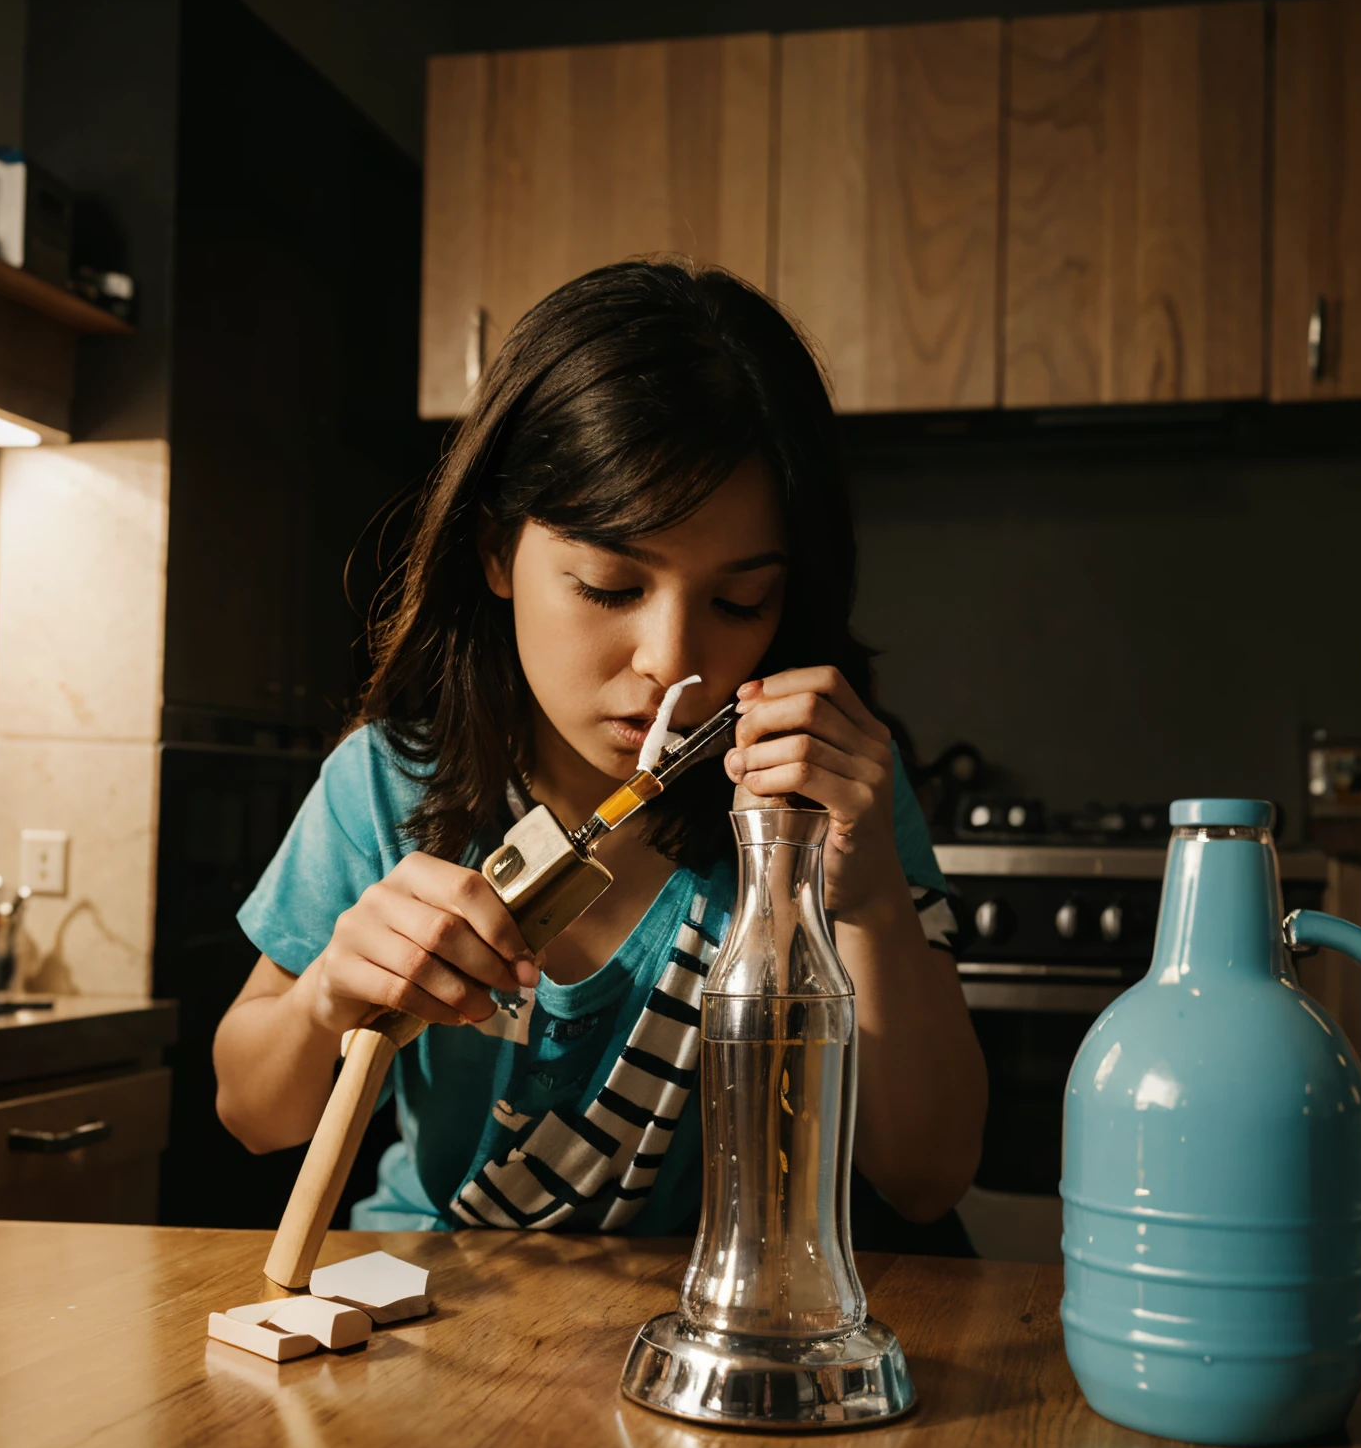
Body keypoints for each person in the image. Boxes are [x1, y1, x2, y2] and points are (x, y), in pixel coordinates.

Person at [213, 260, 987, 1237]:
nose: (671, 662)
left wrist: (870, 897)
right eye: (612, 587)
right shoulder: (389, 783)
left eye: (739, 601)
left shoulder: (835, 797)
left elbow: (928, 1178)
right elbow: (252, 1114)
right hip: (448, 1304)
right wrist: (327, 997)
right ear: (495, 551)